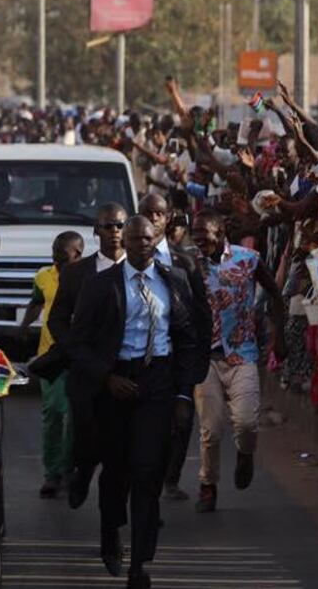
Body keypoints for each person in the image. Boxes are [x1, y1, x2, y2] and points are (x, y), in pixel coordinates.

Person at [64, 216, 209, 589]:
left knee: (147, 471)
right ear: (123, 243)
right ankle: (111, 531)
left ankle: (139, 564)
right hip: (114, 384)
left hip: (157, 383)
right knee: (116, 470)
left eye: (148, 239)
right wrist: (106, 377)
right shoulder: (101, 285)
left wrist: (183, 393)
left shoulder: (174, 281)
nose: (142, 245)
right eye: (134, 239)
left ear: (155, 240)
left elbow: (189, 338)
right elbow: (77, 343)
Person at [189, 209, 284, 512]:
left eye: (204, 233)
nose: (198, 238)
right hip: (205, 357)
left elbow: (275, 294)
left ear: (220, 233)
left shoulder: (249, 259)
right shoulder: (189, 263)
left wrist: (279, 335)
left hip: (242, 353)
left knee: (245, 422)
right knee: (211, 429)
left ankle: (245, 453)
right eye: (195, 232)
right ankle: (208, 485)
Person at [46, 203, 127, 510]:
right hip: (86, 372)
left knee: (126, 446)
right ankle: (81, 473)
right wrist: (73, 349)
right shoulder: (76, 273)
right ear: (96, 231)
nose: (115, 232)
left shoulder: (142, 271)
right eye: (108, 226)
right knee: (86, 436)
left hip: (128, 371)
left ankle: (135, 508)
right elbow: (57, 319)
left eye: (120, 225)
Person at [138, 193, 211, 502]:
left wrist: (197, 360)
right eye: (148, 212)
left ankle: (171, 478)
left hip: (178, 356)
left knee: (181, 419)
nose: (154, 218)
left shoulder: (185, 262)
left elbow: (201, 313)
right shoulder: (126, 260)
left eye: (159, 213)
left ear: (167, 218)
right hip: (142, 356)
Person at [20, 231, 84, 499]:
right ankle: (52, 473)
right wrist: (24, 326)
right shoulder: (43, 276)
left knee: (75, 416)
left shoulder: (88, 278)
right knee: (54, 413)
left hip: (78, 356)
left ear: (77, 254)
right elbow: (36, 302)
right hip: (50, 357)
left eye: (62, 254)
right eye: (54, 253)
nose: (56, 259)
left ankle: (69, 467)